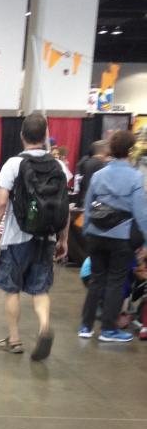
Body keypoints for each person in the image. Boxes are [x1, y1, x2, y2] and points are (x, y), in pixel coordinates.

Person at [0, 112, 69, 360]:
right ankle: (43, 326)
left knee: (12, 289)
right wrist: (63, 239)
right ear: (45, 136)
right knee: (40, 289)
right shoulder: (59, 166)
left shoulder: (13, 164)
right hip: (46, 238)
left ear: (22, 136)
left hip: (16, 237)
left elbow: (1, 204)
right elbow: (62, 206)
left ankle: (15, 339)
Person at [79, 130, 147, 343]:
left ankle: (86, 326)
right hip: (122, 238)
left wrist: (87, 231)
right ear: (130, 150)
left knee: (97, 280)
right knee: (116, 282)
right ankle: (108, 329)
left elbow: (88, 206)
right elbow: (141, 214)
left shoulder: (99, 175)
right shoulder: (136, 177)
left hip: (96, 235)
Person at [77, 140, 109, 209]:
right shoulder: (99, 164)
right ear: (103, 151)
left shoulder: (87, 162)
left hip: (86, 201)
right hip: (95, 204)